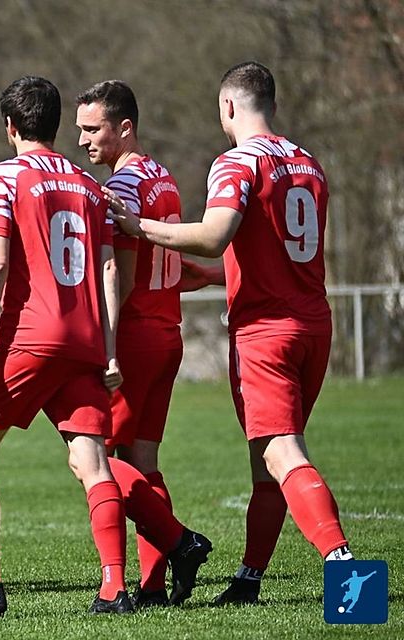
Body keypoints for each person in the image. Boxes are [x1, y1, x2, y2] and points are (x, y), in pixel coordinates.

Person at [105, 61, 353, 606]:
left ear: (229, 108)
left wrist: (138, 226)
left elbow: (216, 236)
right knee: (269, 460)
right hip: (313, 322)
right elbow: (266, 252)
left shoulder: (237, 162)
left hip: (265, 331)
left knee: (282, 452)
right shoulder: (309, 164)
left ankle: (347, 571)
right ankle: (248, 580)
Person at [0, 75, 131, 619]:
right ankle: (115, 587)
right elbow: (110, 270)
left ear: (10, 126)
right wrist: (109, 348)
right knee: (92, 460)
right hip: (85, 337)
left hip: (32, 336)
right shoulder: (92, 187)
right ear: (56, 122)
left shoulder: (3, 176)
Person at [76, 80, 218, 607]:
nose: (84, 140)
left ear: (125, 128)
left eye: (93, 130)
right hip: (167, 335)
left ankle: (180, 545)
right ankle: (155, 585)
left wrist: (103, 342)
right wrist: (211, 277)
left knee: (98, 457)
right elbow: (170, 266)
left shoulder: (126, 185)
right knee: (144, 460)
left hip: (134, 338)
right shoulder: (162, 176)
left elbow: (127, 277)